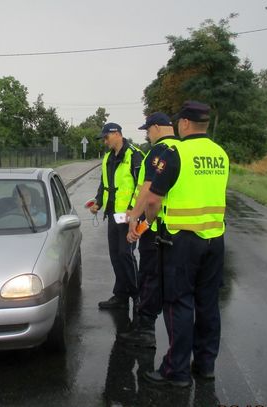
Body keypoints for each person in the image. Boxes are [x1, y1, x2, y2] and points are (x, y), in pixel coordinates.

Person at [135, 101, 229, 388]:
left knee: (178, 303)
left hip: (182, 241)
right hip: (215, 239)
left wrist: (148, 221)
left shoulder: (176, 153)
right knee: (208, 303)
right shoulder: (220, 154)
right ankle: (205, 365)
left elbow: (153, 199)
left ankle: (175, 371)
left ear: (185, 124)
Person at [117, 112, 179, 348]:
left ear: (156, 128)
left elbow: (149, 191)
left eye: (148, 130)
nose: (147, 135)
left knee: (149, 277)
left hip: (156, 227)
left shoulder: (159, 152)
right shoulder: (182, 150)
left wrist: (135, 219)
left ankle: (145, 331)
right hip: (182, 230)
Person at [89, 122, 145, 310]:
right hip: (113, 215)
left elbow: (142, 187)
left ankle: (138, 297)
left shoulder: (134, 155)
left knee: (126, 254)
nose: (104, 142)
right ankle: (120, 296)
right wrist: (98, 202)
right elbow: (103, 184)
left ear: (117, 134)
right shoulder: (108, 158)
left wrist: (133, 210)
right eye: (103, 139)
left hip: (130, 217)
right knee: (115, 256)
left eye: (106, 137)